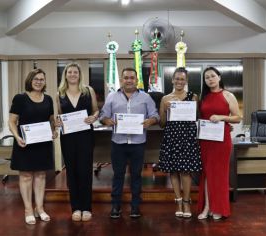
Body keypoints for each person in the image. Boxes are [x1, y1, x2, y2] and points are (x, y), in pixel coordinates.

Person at [99, 67, 159, 219]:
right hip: (118, 142)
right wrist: (107, 120)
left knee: (136, 175)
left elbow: (155, 115)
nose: (129, 80)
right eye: (126, 78)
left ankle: (135, 207)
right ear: (121, 79)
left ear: (137, 80)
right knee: (118, 174)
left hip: (138, 142)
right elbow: (103, 115)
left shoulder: (145, 97)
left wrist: (150, 121)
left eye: (132, 78)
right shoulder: (112, 96)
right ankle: (115, 206)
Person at [8, 68, 58, 225]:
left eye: (41, 79)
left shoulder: (48, 99)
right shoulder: (20, 98)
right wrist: (17, 137)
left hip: (42, 143)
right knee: (26, 176)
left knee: (41, 176)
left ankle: (40, 209)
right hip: (25, 143)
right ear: (30, 80)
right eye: (36, 79)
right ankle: (28, 210)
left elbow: (50, 119)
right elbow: (11, 121)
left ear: (45, 82)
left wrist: (54, 130)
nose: (38, 82)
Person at [55, 63, 99, 221]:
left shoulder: (88, 90)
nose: (72, 74)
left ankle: (86, 208)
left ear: (79, 74)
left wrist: (94, 117)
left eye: (75, 72)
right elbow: (59, 115)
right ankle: (75, 208)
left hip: (85, 136)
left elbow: (96, 110)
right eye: (69, 72)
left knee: (85, 171)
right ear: (65, 75)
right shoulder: (59, 94)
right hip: (68, 137)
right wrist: (57, 122)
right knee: (71, 172)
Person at [197, 66, 241, 220]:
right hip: (206, 140)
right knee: (208, 174)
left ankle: (218, 208)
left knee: (220, 175)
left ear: (219, 77)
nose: (210, 79)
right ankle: (207, 207)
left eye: (212, 76)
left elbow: (237, 117)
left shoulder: (228, 95)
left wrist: (222, 117)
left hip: (222, 141)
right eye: (207, 77)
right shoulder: (204, 97)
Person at [157, 67, 201, 218]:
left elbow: (196, 118)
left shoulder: (193, 96)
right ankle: (178, 201)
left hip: (187, 137)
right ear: (172, 80)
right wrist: (166, 110)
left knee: (186, 171)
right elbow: (162, 123)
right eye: (177, 78)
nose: (179, 81)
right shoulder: (165, 99)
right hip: (172, 137)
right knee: (173, 170)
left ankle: (187, 202)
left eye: (182, 79)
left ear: (186, 81)